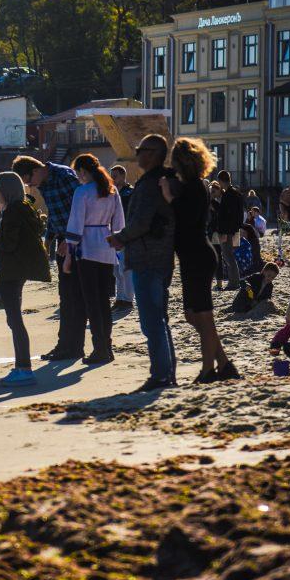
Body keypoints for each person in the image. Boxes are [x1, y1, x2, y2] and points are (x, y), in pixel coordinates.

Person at [160, 138, 240, 383]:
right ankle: (224, 364)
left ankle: (209, 370)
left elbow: (185, 217)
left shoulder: (195, 187)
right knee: (193, 315)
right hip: (192, 257)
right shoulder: (191, 185)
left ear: (182, 161)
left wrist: (168, 196)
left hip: (198, 256)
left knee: (203, 316)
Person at [107, 135, 177, 392]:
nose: (137, 154)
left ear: (153, 153)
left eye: (140, 150)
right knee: (160, 319)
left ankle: (161, 375)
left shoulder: (149, 184)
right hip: (162, 258)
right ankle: (167, 374)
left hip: (148, 258)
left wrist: (119, 238)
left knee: (151, 321)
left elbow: (141, 222)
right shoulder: (162, 180)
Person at [0, 172, 51, 386]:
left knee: (15, 319)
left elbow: (8, 244)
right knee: (13, 319)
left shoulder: (14, 210)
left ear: (5, 190)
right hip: (18, 268)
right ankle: (22, 367)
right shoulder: (23, 207)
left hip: (13, 269)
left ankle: (24, 369)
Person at [12, 155, 84, 361]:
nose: (29, 186)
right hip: (63, 239)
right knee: (65, 296)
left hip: (77, 241)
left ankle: (74, 347)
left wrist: (70, 239)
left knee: (74, 297)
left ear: (35, 170)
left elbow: (79, 210)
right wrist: (48, 240)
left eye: (28, 181)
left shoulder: (64, 176)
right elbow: (55, 213)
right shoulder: (44, 183)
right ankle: (64, 345)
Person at [64, 154, 125, 365]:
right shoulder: (111, 189)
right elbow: (119, 223)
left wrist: (69, 256)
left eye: (77, 172)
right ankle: (106, 347)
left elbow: (75, 224)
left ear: (82, 171)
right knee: (103, 301)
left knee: (92, 302)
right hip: (107, 246)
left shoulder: (82, 192)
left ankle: (100, 349)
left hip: (88, 248)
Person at [213, 170, 245, 291]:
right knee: (229, 255)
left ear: (221, 181)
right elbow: (238, 213)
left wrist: (213, 201)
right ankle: (234, 281)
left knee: (228, 256)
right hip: (233, 228)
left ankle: (233, 283)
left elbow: (223, 213)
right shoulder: (236, 193)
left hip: (226, 230)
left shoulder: (228, 195)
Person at [110, 165, 135, 312]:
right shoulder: (112, 193)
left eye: (115, 176)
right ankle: (119, 298)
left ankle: (128, 299)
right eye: (111, 176)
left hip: (126, 236)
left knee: (125, 269)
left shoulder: (129, 193)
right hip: (113, 235)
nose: (112, 179)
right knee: (116, 271)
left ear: (123, 176)